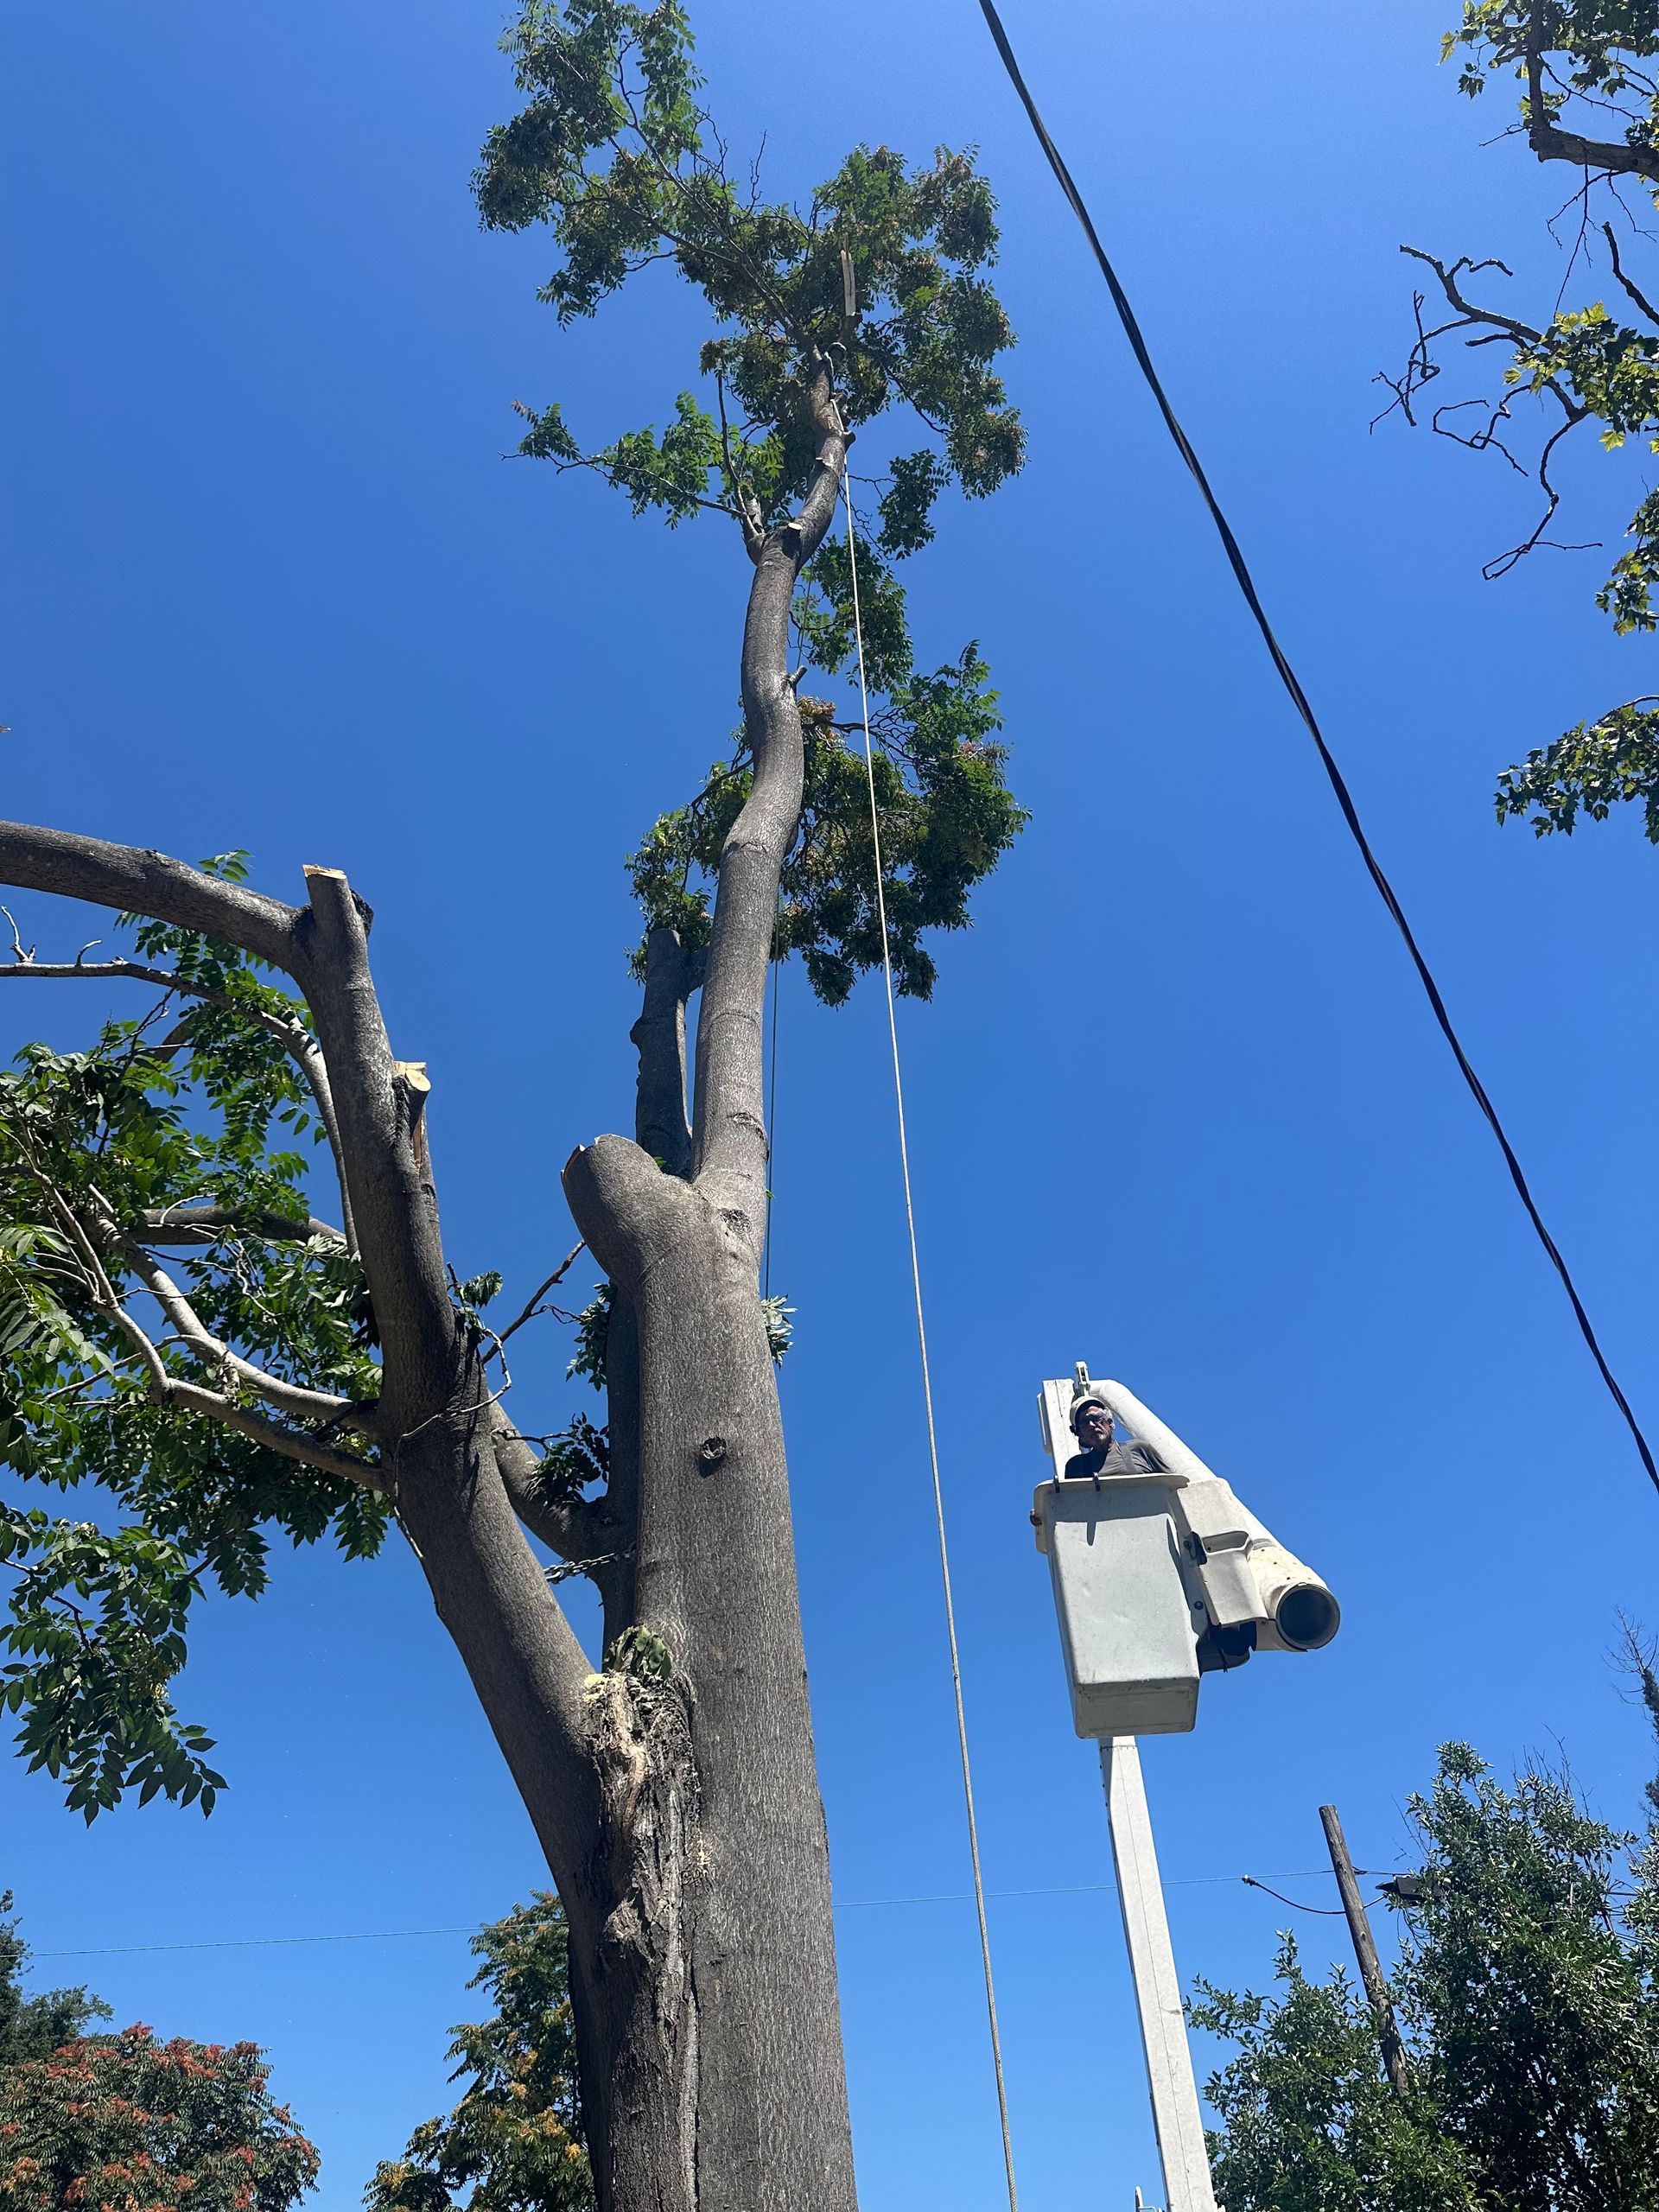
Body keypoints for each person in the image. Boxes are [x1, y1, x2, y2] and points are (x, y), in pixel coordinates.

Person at [1062, 1391, 1166, 1480]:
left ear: (1110, 1422)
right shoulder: (1077, 1467)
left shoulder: (1140, 1449)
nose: (1091, 1425)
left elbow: (1171, 1487)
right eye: (1084, 1422)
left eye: (1096, 1418)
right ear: (1080, 1434)